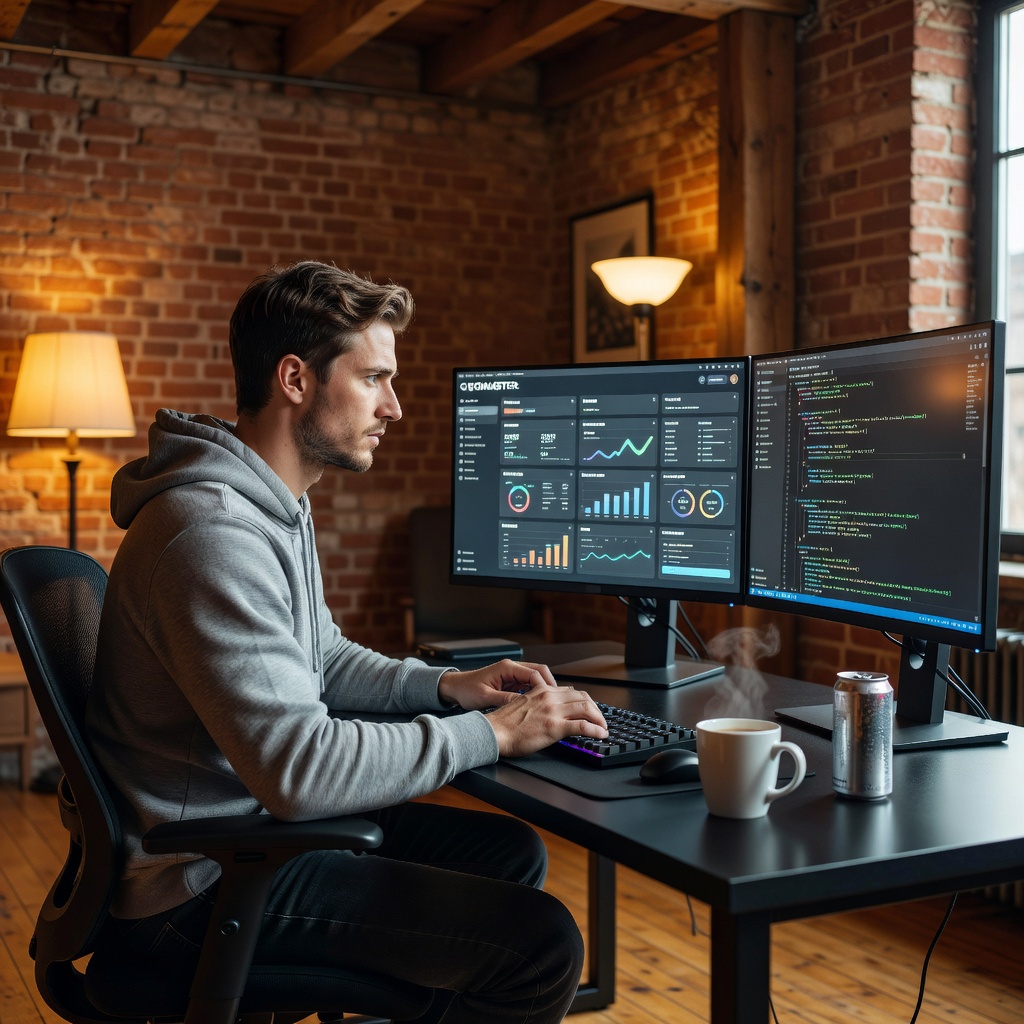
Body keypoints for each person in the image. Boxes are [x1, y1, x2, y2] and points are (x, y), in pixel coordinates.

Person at [85, 259, 609, 1024]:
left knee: (510, 855)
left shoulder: (271, 504)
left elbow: (321, 658)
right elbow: (299, 771)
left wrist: (444, 687)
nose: (394, 407)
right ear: (295, 379)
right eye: (375, 379)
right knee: (541, 946)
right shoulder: (212, 533)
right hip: (194, 886)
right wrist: (491, 733)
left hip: (244, 832)